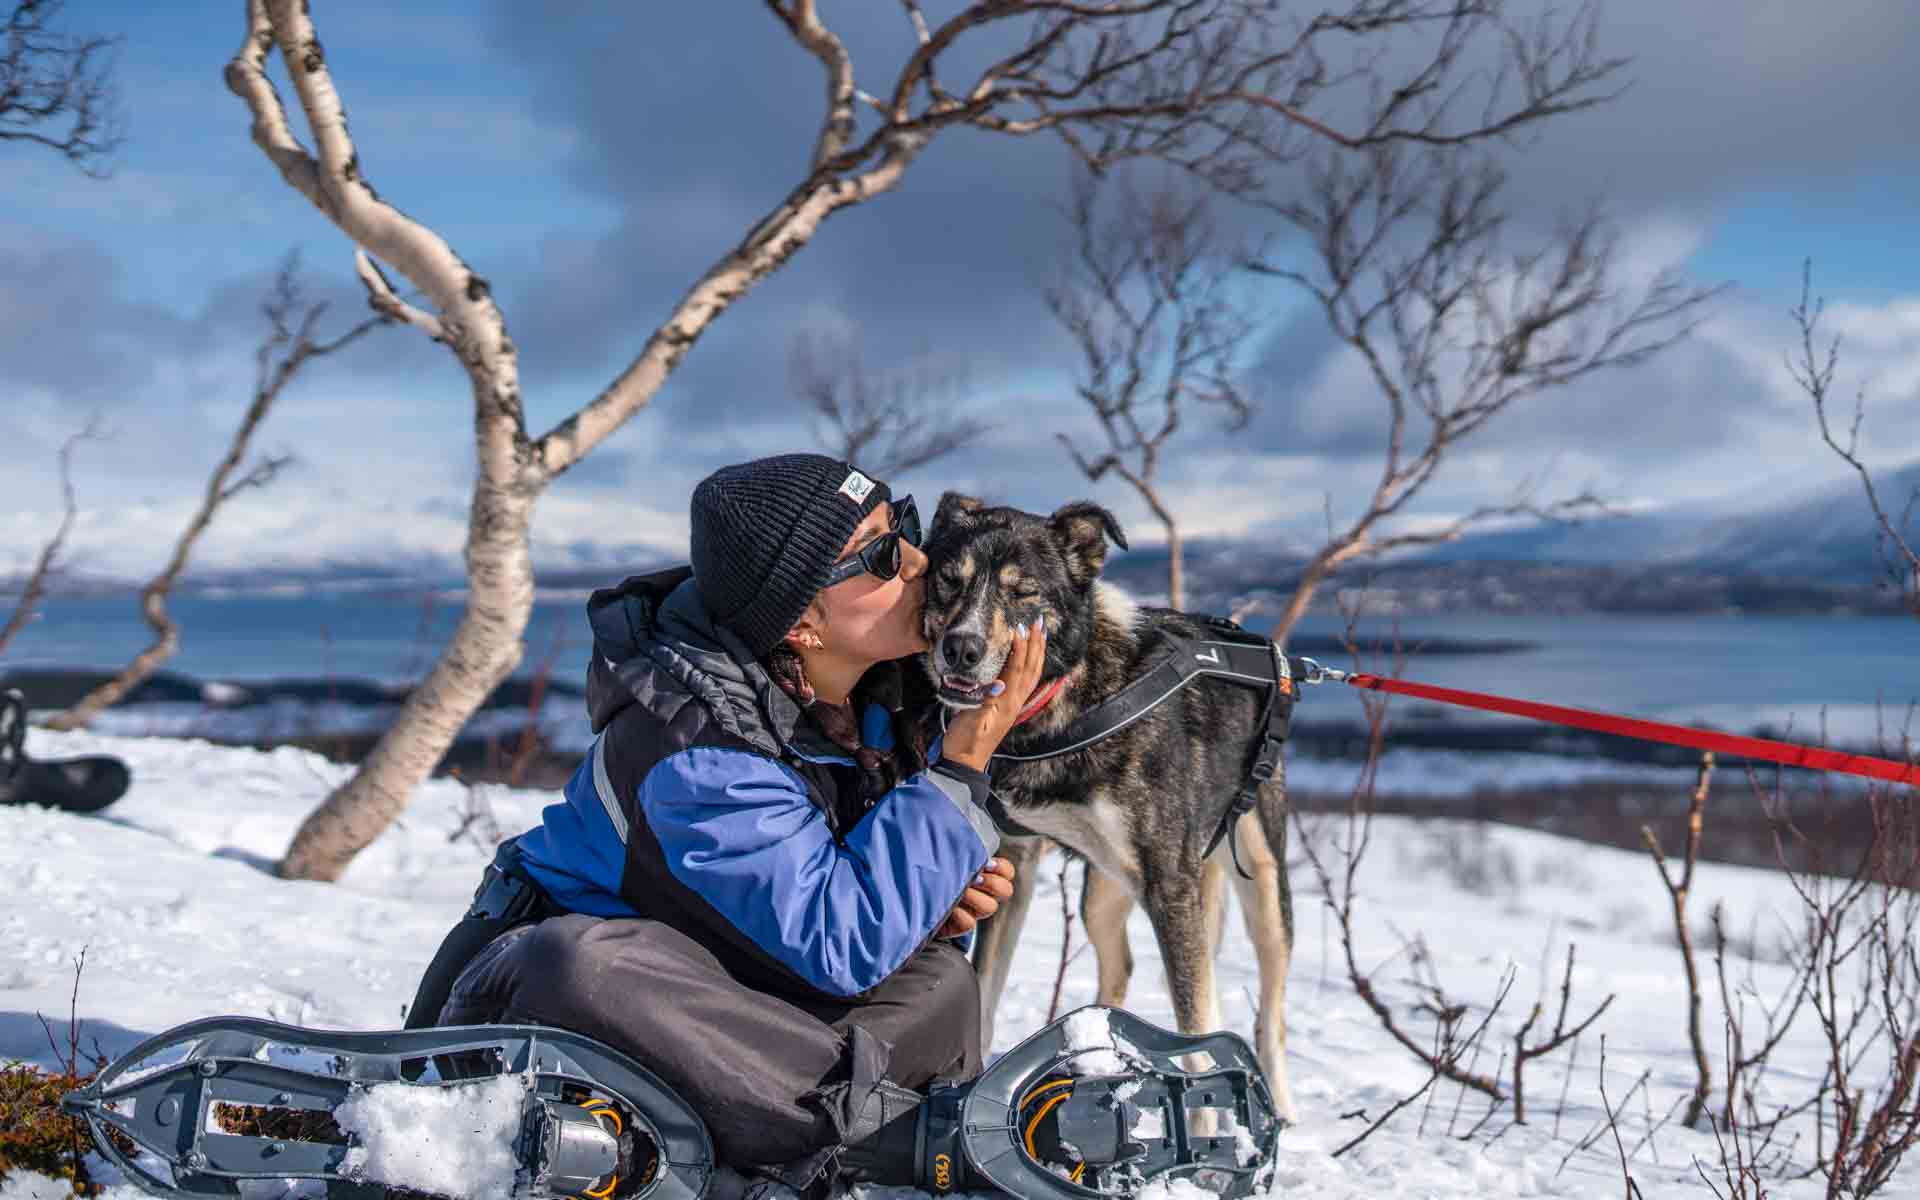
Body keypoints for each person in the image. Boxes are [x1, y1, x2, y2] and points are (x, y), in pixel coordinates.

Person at [407, 453, 1047, 1196]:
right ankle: (887, 1143)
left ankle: (847, 1147)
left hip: (723, 999)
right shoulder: (697, 745)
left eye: (901, 526)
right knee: (586, 964)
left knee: (940, 984)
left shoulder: (875, 706)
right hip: (537, 1010)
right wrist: (961, 765)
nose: (917, 560)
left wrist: (929, 909)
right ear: (803, 620)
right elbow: (836, 942)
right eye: (878, 553)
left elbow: (831, 924)